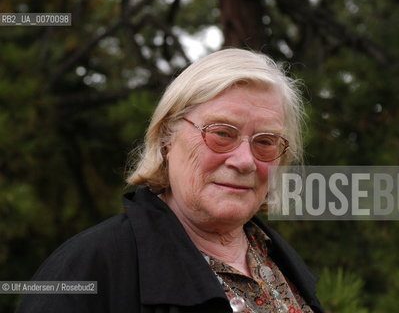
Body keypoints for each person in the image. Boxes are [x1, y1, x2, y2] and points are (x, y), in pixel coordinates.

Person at [17, 48, 323, 313]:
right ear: (167, 138)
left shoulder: (279, 262)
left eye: (266, 142)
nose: (244, 160)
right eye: (221, 133)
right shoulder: (87, 270)